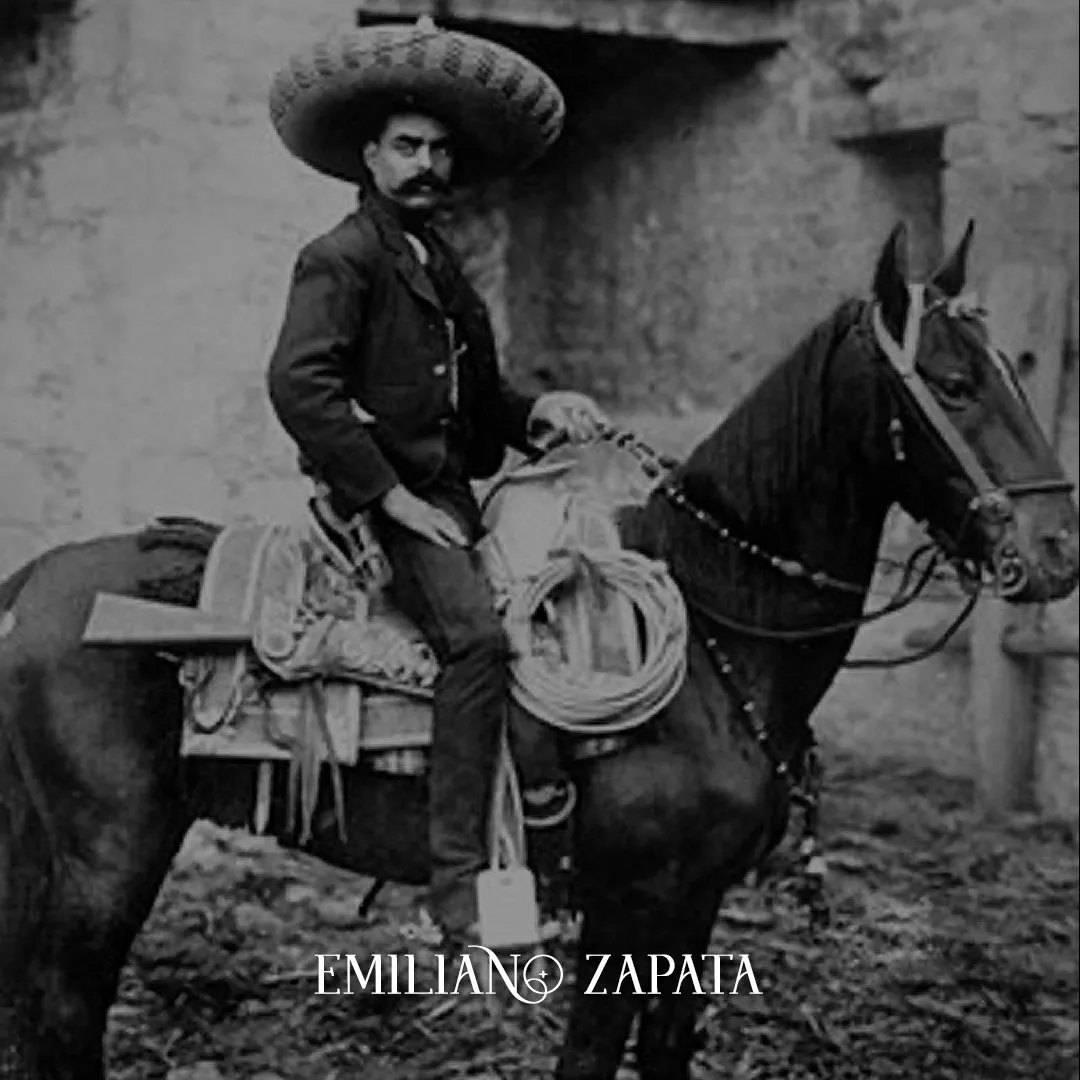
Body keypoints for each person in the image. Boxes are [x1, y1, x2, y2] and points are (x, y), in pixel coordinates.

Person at [265, 19, 607, 944]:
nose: (427, 164)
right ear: (369, 157)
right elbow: (301, 385)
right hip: (383, 501)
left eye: (440, 150)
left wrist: (539, 415)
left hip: (449, 496)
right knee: (478, 646)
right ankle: (454, 886)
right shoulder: (343, 257)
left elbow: (481, 402)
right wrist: (391, 497)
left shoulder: (440, 266)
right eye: (408, 147)